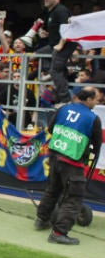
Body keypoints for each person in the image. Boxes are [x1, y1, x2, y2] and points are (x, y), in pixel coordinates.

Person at [34, 87, 102, 245]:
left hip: (54, 154)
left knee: (52, 189)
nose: (97, 102)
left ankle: (42, 219)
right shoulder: (93, 118)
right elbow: (97, 144)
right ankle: (59, 232)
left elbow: (50, 128)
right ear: (89, 100)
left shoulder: (63, 109)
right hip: (72, 160)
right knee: (73, 198)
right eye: (96, 99)